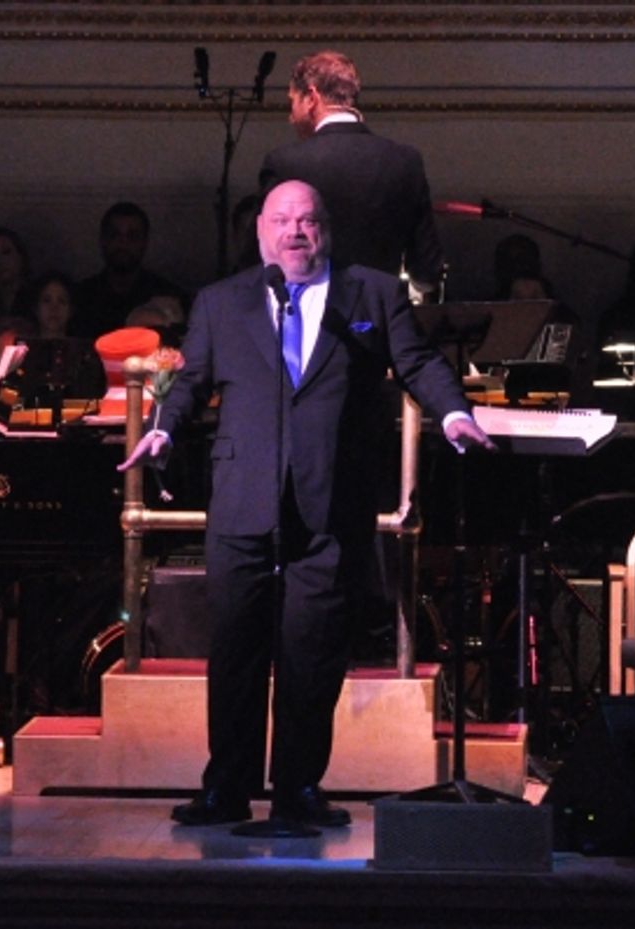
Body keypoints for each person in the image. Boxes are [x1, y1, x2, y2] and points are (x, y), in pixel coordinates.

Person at [120, 180, 493, 836]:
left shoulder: (371, 293)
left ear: (326, 229)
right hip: (242, 500)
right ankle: (226, 788)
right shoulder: (222, 301)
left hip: (330, 504)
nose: (296, 231)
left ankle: (297, 787)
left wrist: (455, 411)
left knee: (312, 652)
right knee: (236, 650)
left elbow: (419, 362)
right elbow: (190, 381)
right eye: (283, 221)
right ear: (262, 231)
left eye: (309, 220)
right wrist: (164, 426)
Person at [259, 51, 444, 298]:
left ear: (311, 97)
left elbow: (263, 258)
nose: (290, 116)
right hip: (381, 318)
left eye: (293, 101)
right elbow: (427, 269)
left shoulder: (284, 163)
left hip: (309, 323)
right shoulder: (405, 161)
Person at [73, 202, 187, 340]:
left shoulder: (167, 294)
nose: (123, 243)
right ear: (103, 240)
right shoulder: (80, 298)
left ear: (145, 242)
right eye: (115, 235)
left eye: (132, 236)